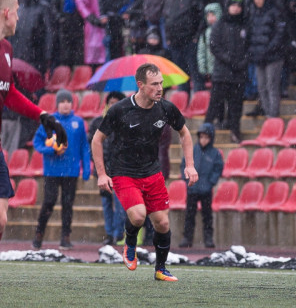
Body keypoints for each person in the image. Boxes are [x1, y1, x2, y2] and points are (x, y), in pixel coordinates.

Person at [92, 62, 198, 282]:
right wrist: (102, 174)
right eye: (154, 84)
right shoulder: (120, 110)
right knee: (139, 215)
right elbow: (97, 140)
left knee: (163, 223)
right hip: (124, 173)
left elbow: (185, 134)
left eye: (161, 83)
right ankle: (130, 241)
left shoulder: (166, 108)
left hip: (152, 172)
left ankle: (160, 269)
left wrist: (190, 165)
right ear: (140, 85)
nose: (159, 88)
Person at [0, 0, 68, 244]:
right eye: (17, 12)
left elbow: (9, 91)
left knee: (1, 219)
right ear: (6, 13)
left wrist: (43, 115)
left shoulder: (6, 49)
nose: (19, 17)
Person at [31, 89, 91, 250]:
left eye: (68, 101)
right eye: (62, 101)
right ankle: (39, 234)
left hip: (71, 171)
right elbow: (37, 143)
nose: (65, 104)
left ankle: (65, 237)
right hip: (52, 170)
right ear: (57, 104)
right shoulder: (49, 122)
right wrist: (52, 150)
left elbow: (84, 146)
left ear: (72, 103)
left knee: (68, 204)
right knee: (49, 202)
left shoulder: (78, 122)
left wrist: (86, 168)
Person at [206, 0, 249, 144]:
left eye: (239, 5)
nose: (236, 8)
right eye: (233, 5)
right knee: (214, 105)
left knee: (236, 106)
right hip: (221, 73)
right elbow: (214, 46)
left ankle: (235, 132)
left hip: (239, 74)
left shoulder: (245, 25)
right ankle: (205, 134)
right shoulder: (220, 24)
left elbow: (250, 46)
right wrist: (229, 60)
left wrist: (243, 61)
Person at [88, 91, 127, 246]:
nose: (113, 105)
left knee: (119, 204)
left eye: (116, 102)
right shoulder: (98, 122)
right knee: (106, 204)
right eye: (111, 102)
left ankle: (118, 233)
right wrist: (99, 168)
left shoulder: (126, 123)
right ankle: (109, 233)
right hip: (103, 170)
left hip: (120, 170)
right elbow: (92, 146)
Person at [179, 123, 223, 249]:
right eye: (201, 137)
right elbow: (184, 165)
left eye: (206, 137)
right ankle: (187, 238)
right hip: (192, 188)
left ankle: (208, 239)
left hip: (206, 190)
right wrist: (187, 179)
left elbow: (218, 169)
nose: (203, 140)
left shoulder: (215, 154)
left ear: (211, 138)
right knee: (189, 215)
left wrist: (210, 183)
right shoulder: (192, 151)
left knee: (207, 216)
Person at [247, 0, 286, 118]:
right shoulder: (253, 13)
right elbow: (251, 35)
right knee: (261, 87)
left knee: (272, 86)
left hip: (273, 56)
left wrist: (269, 49)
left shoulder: (275, 12)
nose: (257, 0)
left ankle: (273, 115)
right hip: (258, 56)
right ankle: (268, 114)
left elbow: (280, 34)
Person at [12, 0, 53, 74]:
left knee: (35, 79)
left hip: (37, 54)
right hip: (18, 52)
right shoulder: (18, 7)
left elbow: (49, 31)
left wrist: (48, 53)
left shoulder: (44, 7)